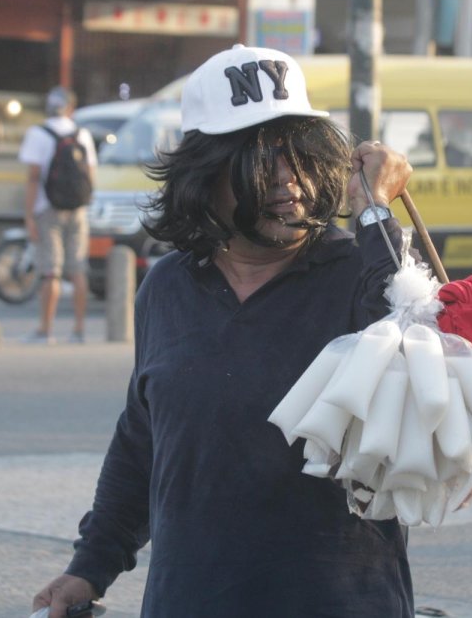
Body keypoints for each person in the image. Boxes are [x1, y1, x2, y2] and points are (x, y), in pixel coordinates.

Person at [31, 44, 415, 617]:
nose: (290, 180)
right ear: (205, 176)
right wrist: (90, 567)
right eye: (262, 162)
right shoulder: (167, 288)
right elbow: (144, 440)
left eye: (299, 155)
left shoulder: (360, 272)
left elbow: (421, 368)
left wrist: (376, 214)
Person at [19, 87, 97, 344]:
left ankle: (46, 329)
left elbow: (32, 178)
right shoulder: (82, 134)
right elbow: (90, 175)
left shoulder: (37, 133)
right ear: (72, 108)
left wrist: (29, 216)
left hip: (47, 208)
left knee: (50, 271)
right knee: (78, 270)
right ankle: (79, 329)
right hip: (78, 209)